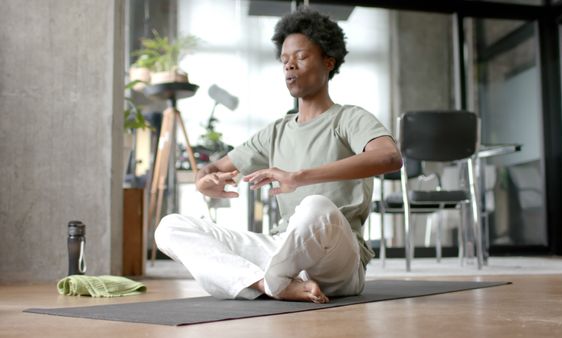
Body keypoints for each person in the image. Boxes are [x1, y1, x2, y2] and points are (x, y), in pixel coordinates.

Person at [155, 7, 402, 304]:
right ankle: (267, 283)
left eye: (300, 57)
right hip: (282, 246)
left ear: (328, 62)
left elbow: (389, 157)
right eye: (285, 60)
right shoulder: (275, 131)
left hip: (337, 253)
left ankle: (264, 279)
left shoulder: (349, 118)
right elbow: (212, 168)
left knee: (315, 207)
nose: (289, 66)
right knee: (169, 227)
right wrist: (202, 181)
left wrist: (298, 177)